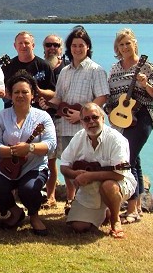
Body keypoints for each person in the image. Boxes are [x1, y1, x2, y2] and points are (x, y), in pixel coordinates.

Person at [40, 26, 109, 214]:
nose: (77, 49)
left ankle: (90, 202)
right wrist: (48, 103)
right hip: (64, 125)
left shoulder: (96, 70)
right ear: (69, 48)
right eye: (74, 45)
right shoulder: (65, 71)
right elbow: (59, 97)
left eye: (81, 45)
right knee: (69, 165)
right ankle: (71, 200)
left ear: (88, 47)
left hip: (86, 127)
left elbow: (102, 97)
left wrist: (83, 115)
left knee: (87, 163)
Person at [0, 73, 56, 236]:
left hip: (34, 166)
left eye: (25, 92)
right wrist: (10, 151)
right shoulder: (0, 117)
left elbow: (51, 144)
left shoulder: (43, 117)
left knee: (29, 188)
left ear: (32, 95)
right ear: (10, 95)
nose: (20, 95)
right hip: (5, 166)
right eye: (16, 92)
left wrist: (30, 148)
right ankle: (15, 212)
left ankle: (34, 216)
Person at [60, 103, 136, 239]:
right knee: (78, 227)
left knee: (108, 185)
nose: (91, 122)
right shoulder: (78, 137)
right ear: (81, 122)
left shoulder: (116, 140)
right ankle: (105, 212)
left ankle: (115, 219)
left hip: (120, 183)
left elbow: (119, 174)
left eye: (95, 117)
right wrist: (75, 174)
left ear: (103, 118)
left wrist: (90, 176)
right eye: (86, 119)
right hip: (90, 188)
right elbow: (64, 166)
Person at [106, 28, 153, 224]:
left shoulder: (147, 67)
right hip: (121, 117)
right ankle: (139, 205)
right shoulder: (115, 69)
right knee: (136, 161)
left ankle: (132, 207)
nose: (124, 47)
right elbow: (111, 94)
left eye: (128, 43)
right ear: (117, 48)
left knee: (127, 158)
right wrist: (109, 112)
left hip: (142, 116)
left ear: (135, 44)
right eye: (121, 44)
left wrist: (145, 84)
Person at [41, 33, 69, 208]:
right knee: (50, 161)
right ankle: (50, 197)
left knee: (68, 160)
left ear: (61, 48)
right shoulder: (40, 68)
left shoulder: (67, 69)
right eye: (48, 45)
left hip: (64, 119)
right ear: (43, 48)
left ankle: (70, 199)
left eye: (56, 45)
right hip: (46, 120)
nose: (52, 48)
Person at [2, 31, 55, 109]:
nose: (23, 46)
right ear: (15, 46)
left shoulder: (44, 66)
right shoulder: (7, 66)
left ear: (33, 45)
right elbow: (1, 90)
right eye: (20, 43)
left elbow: (53, 93)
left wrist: (40, 91)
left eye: (27, 43)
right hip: (11, 113)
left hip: (37, 114)